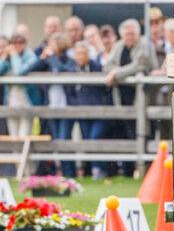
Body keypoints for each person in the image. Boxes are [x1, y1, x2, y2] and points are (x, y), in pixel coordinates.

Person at [104, 19, 157, 176]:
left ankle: (145, 169)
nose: (129, 36)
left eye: (132, 33)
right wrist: (115, 72)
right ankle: (128, 170)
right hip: (122, 96)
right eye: (126, 33)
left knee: (145, 132)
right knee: (126, 131)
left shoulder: (145, 44)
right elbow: (108, 66)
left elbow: (140, 65)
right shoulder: (119, 46)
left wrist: (116, 74)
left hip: (144, 96)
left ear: (137, 33)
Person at [27, 33, 76, 177]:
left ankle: (69, 172)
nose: (50, 47)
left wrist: (52, 57)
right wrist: (42, 57)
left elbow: (63, 70)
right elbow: (31, 69)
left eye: (53, 44)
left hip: (66, 106)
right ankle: (58, 171)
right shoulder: (48, 60)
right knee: (55, 140)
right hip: (51, 106)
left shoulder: (69, 60)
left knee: (63, 139)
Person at [67, 42, 110, 179]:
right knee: (86, 140)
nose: (80, 56)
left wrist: (103, 104)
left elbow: (105, 89)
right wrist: (77, 105)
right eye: (78, 54)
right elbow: (69, 93)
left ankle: (99, 169)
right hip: (82, 112)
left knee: (95, 138)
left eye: (83, 53)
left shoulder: (97, 67)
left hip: (99, 112)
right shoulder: (71, 70)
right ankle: (93, 170)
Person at [0, 34, 41, 137]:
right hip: (10, 101)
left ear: (25, 44)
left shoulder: (31, 57)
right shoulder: (8, 57)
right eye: (14, 43)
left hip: (27, 101)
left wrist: (14, 56)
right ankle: (15, 154)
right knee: (13, 137)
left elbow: (19, 71)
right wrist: (4, 57)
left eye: (20, 43)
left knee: (24, 135)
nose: (17, 45)